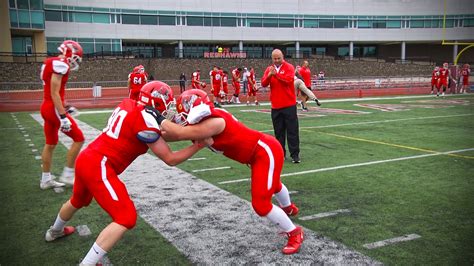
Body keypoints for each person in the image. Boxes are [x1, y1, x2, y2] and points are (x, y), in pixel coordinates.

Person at [43, 81, 209, 265]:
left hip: (87, 158)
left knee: (78, 200)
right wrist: (199, 145)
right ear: (157, 102)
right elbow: (170, 158)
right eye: (167, 102)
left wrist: (186, 132)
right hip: (100, 164)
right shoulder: (145, 119)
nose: (168, 107)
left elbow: (158, 132)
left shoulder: (129, 104)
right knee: (126, 217)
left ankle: (54, 231)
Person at [160, 89, 304, 255]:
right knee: (272, 184)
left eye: (184, 110)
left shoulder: (214, 122)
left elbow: (178, 134)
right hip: (256, 155)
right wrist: (152, 134)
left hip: (264, 151)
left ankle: (295, 233)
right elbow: (175, 134)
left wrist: (155, 124)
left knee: (261, 204)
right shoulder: (205, 120)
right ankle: (288, 208)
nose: (181, 115)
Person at [39, 40, 85, 189]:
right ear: (69, 52)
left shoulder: (51, 62)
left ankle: (45, 179)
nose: (75, 61)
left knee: (50, 144)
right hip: (52, 108)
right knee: (79, 138)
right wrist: (63, 116)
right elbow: (54, 93)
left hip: (46, 107)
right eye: (75, 57)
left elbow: (52, 93)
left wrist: (66, 107)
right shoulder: (61, 64)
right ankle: (68, 174)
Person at [261, 49, 301, 163]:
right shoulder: (269, 69)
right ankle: (280, 154)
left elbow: (288, 81)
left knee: (292, 131)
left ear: (282, 57)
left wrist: (276, 75)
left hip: (289, 105)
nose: (277, 60)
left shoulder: (289, 67)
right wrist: (269, 75)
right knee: (279, 133)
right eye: (275, 58)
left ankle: (295, 155)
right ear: (272, 58)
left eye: (279, 58)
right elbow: (264, 83)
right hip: (276, 106)